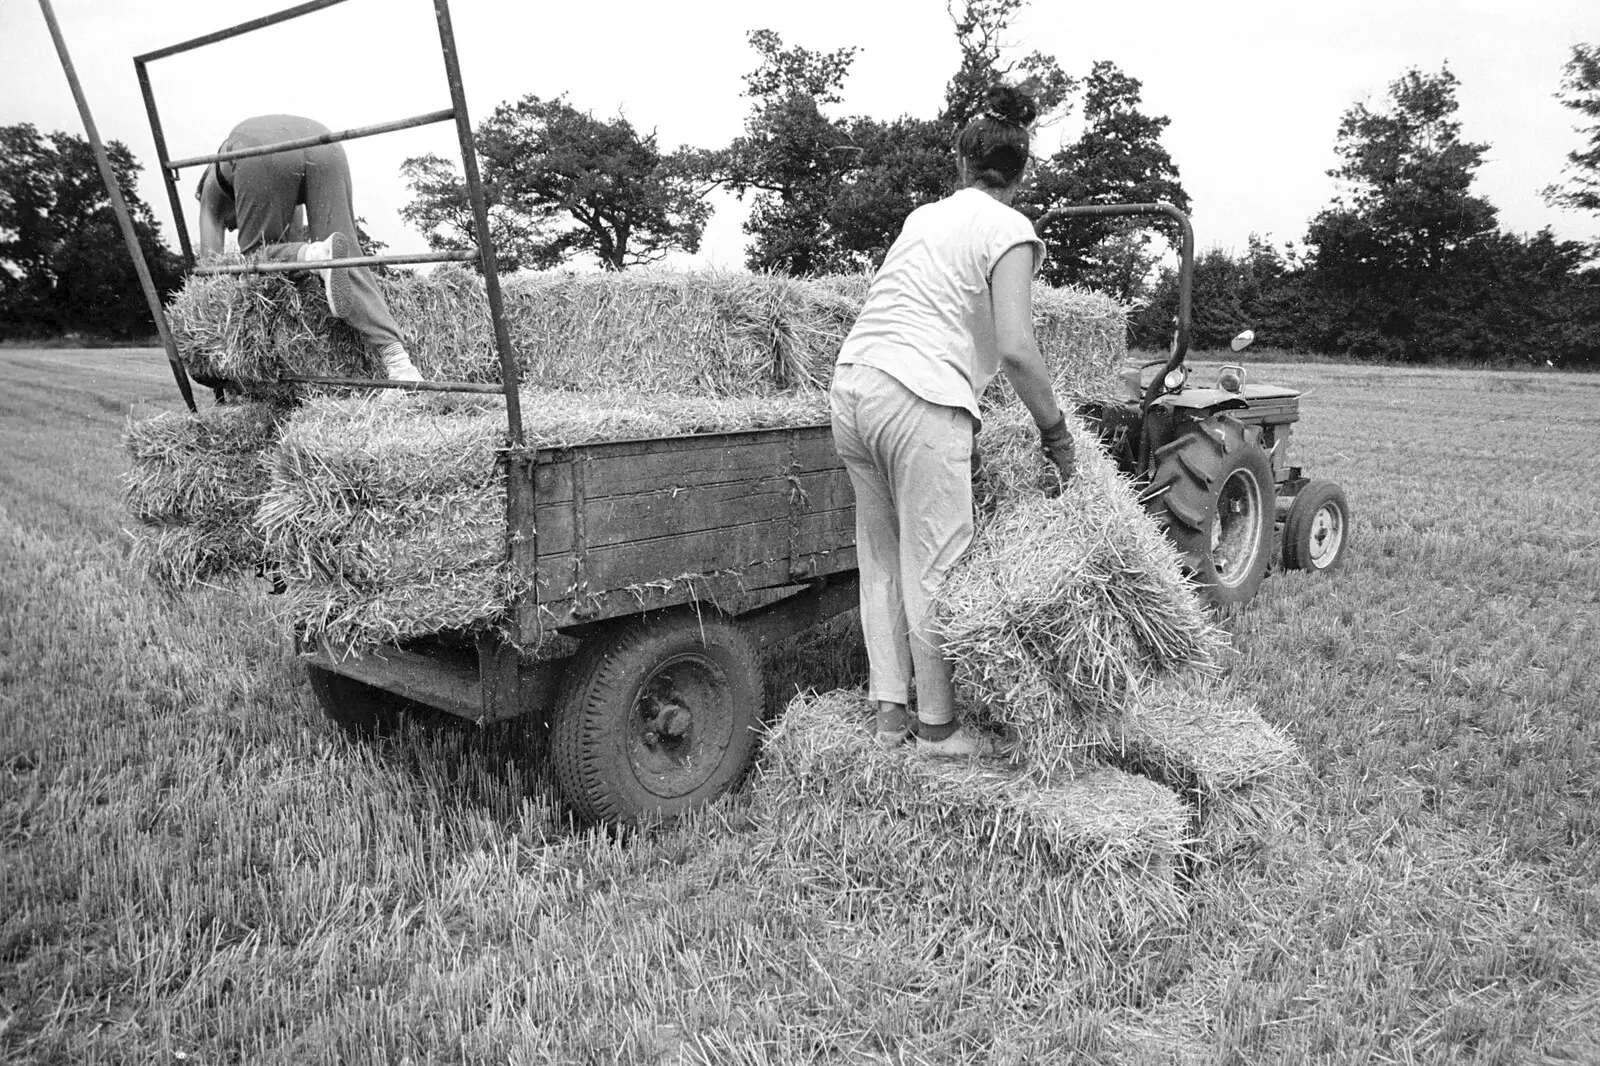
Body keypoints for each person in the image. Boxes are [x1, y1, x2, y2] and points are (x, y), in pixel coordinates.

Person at [830, 84, 1076, 758]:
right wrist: (1056, 433)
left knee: (879, 559)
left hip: (853, 386)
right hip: (920, 398)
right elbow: (1019, 349)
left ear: (961, 164)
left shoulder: (922, 218)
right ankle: (939, 731)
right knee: (935, 565)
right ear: (1021, 171)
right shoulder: (1011, 230)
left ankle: (890, 716)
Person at [195, 114, 422, 383]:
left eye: (230, 227)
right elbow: (292, 251)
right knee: (345, 254)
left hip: (258, 147)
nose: (232, 229)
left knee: (256, 258)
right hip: (326, 145)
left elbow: (211, 278)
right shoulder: (287, 199)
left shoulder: (209, 193)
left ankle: (319, 257)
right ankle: (400, 364)